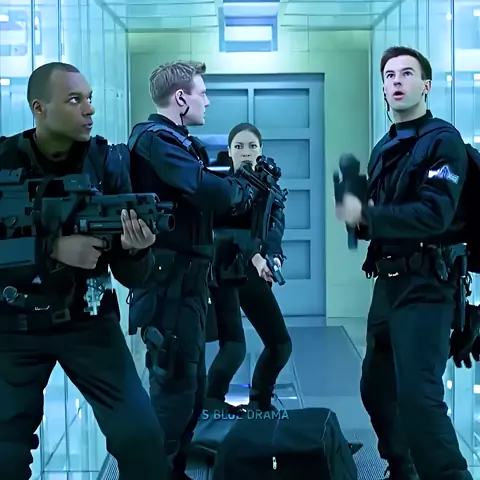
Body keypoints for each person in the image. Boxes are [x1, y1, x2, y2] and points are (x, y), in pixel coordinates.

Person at [0, 62, 168, 479]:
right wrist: (53, 248)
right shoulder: (4, 158)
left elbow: (133, 276)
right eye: (74, 100)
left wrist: (136, 250)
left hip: (88, 320)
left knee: (142, 439)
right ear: (39, 108)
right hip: (14, 326)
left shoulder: (107, 162)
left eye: (89, 98)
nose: (89, 109)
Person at [335, 46, 473, 480]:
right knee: (376, 389)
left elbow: (435, 214)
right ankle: (402, 470)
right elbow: (375, 223)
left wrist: (368, 214)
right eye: (390, 75)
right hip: (389, 286)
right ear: (383, 89)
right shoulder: (384, 147)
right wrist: (355, 214)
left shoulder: (443, 141)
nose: (397, 81)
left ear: (426, 86)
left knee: (418, 397)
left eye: (407, 73)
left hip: (428, 285)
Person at [127, 61, 253, 480]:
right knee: (173, 391)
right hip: (169, 287)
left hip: (189, 286)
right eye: (202, 93)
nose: (207, 101)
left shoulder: (178, 141)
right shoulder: (155, 140)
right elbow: (202, 188)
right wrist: (237, 188)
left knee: (191, 392)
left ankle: (174, 469)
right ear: (180, 98)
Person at [205, 122, 292, 412]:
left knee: (280, 345)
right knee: (234, 348)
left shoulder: (269, 190)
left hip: (253, 274)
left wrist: (274, 257)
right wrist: (254, 255)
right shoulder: (221, 188)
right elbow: (219, 234)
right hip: (224, 271)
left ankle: (259, 404)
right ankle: (211, 403)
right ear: (229, 151)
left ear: (260, 151)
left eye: (252, 146)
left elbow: (274, 230)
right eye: (239, 146)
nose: (246, 152)